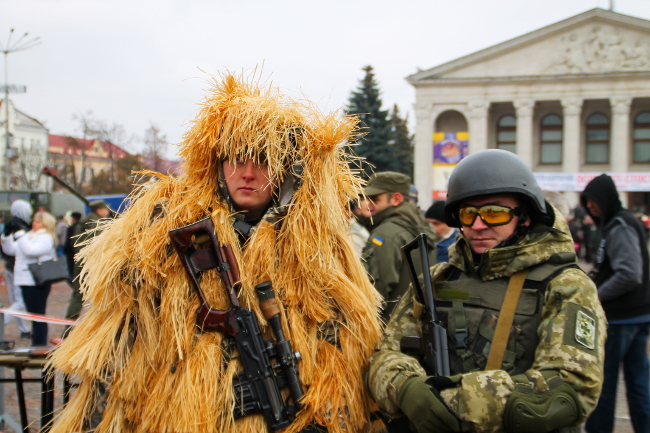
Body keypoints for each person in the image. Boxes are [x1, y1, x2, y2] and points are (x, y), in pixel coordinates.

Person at [48, 73, 382, 433]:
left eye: (263, 160)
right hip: (180, 414)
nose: (248, 174)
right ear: (218, 164)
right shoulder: (164, 226)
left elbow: (344, 341)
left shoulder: (315, 245)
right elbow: (118, 334)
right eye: (236, 159)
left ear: (285, 170)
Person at [367, 149, 605, 433]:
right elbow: (385, 356)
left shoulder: (565, 285)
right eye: (468, 214)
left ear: (525, 217)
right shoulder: (435, 280)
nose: (478, 225)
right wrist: (407, 390)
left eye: (494, 213)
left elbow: (571, 387)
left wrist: (450, 403)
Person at [581, 174, 650, 433]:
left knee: (603, 384)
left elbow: (629, 274)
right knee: (638, 382)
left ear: (606, 199)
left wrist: (595, 295)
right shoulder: (619, 223)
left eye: (594, 201)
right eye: (586, 202)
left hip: (621, 318)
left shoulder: (619, 225)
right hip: (636, 315)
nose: (590, 207)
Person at [361, 171, 436, 322]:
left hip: (388, 325)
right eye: (365, 198)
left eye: (375, 199)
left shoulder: (386, 233)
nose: (367, 204)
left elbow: (376, 289)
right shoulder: (419, 226)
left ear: (396, 199)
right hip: (413, 324)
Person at [1, 211, 57, 347]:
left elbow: (30, 251)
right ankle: (37, 343)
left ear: (45, 224)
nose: (34, 223)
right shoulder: (29, 236)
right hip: (25, 280)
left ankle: (39, 344)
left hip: (37, 281)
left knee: (38, 314)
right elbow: (11, 250)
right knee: (33, 314)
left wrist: (20, 235)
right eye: (34, 221)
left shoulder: (46, 237)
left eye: (38, 222)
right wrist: (6, 236)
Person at [65, 201, 110, 320]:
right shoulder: (99, 223)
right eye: (106, 209)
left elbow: (74, 243)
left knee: (78, 295)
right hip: (95, 264)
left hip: (81, 263)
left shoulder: (82, 223)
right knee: (103, 295)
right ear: (99, 210)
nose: (107, 212)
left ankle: (69, 324)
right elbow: (103, 244)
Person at [1, 199, 33, 339]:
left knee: (16, 301)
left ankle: (24, 330)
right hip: (17, 268)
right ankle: (2, 321)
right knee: (20, 302)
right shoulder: (20, 226)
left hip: (11, 266)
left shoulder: (11, 224)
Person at [63, 211, 82, 278]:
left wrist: (65, 250)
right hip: (80, 251)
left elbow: (69, 240)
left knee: (72, 270)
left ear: (73, 218)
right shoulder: (82, 227)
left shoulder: (71, 228)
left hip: (71, 252)